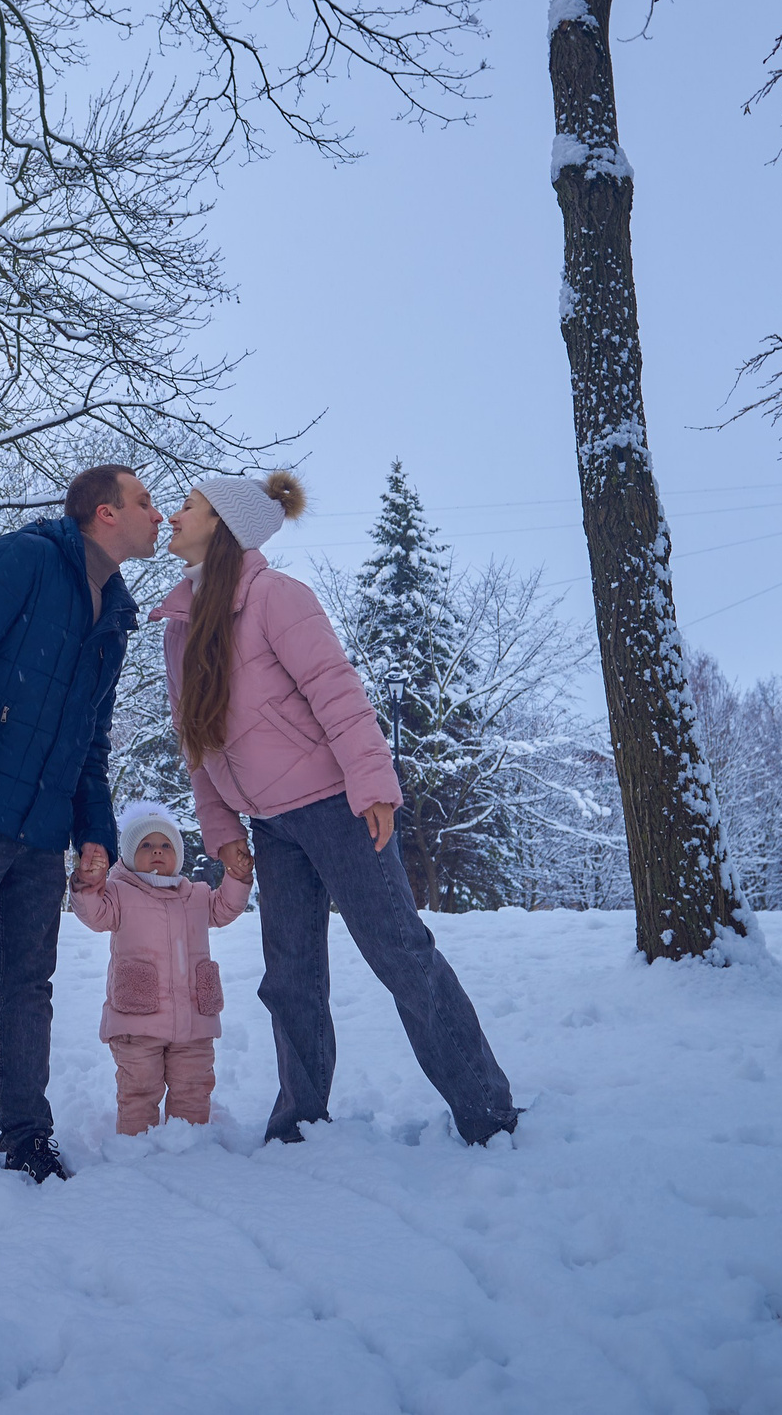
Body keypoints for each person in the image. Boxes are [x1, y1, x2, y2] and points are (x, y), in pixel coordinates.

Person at [147, 471, 519, 1147]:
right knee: (289, 977)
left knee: (401, 954)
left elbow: (337, 692)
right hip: (271, 825)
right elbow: (194, 740)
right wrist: (223, 830)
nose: (173, 514)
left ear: (223, 525)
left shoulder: (276, 598)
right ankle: (300, 1120)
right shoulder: (179, 628)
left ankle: (486, 1110)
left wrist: (374, 783)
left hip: (336, 808)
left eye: (188, 505)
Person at [0, 464, 162, 1180]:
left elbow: (91, 740)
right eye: (145, 502)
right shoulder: (25, 559)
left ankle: (26, 1134)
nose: (158, 515)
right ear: (104, 513)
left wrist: (96, 834)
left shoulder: (115, 617)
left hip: (39, 832)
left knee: (27, 988)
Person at [69, 798, 251, 1135]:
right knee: (138, 1088)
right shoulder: (119, 894)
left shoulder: (196, 895)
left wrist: (237, 876)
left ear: (178, 855)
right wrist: (87, 883)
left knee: (194, 1086)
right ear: (128, 854)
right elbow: (93, 913)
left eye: (166, 844)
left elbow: (226, 906)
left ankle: (191, 1146)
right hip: (138, 1020)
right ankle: (137, 1148)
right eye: (147, 844)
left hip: (194, 1020)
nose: (158, 850)